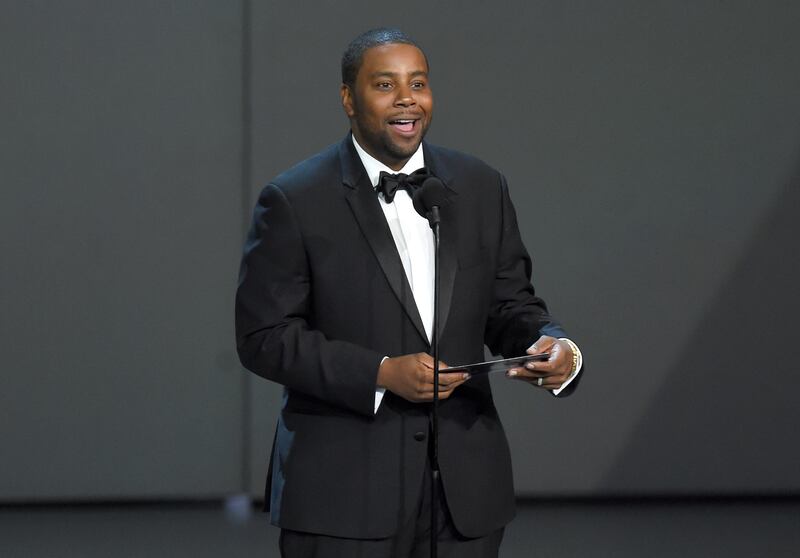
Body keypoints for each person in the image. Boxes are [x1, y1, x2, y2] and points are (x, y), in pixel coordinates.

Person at [235, 27, 583, 558]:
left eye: (418, 83)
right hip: (342, 497)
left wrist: (556, 347)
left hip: (465, 498)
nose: (407, 99)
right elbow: (264, 337)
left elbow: (511, 304)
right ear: (348, 98)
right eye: (385, 84)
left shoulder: (480, 185)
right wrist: (379, 371)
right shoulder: (295, 199)